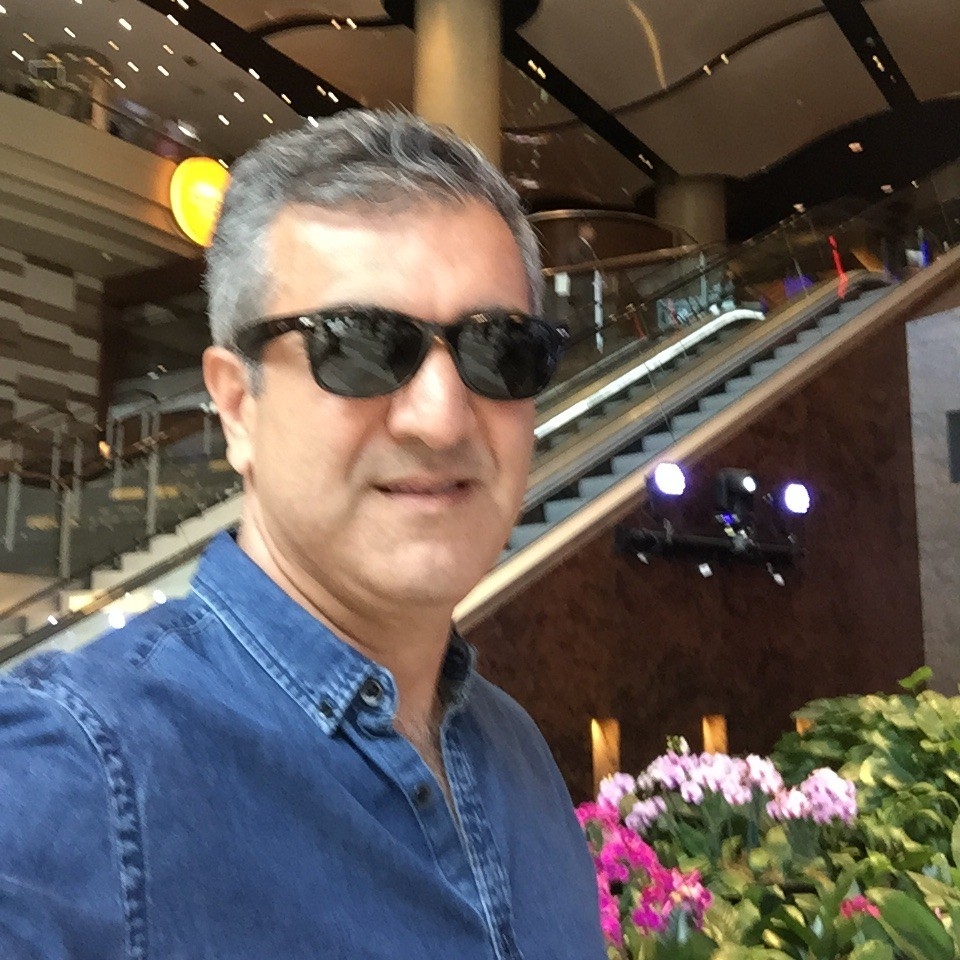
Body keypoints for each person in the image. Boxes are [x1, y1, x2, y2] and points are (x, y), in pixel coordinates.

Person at [0, 111, 604, 959]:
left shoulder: (518, 759)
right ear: (236, 405)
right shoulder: (69, 773)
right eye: (360, 345)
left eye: (499, 349)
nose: (441, 418)